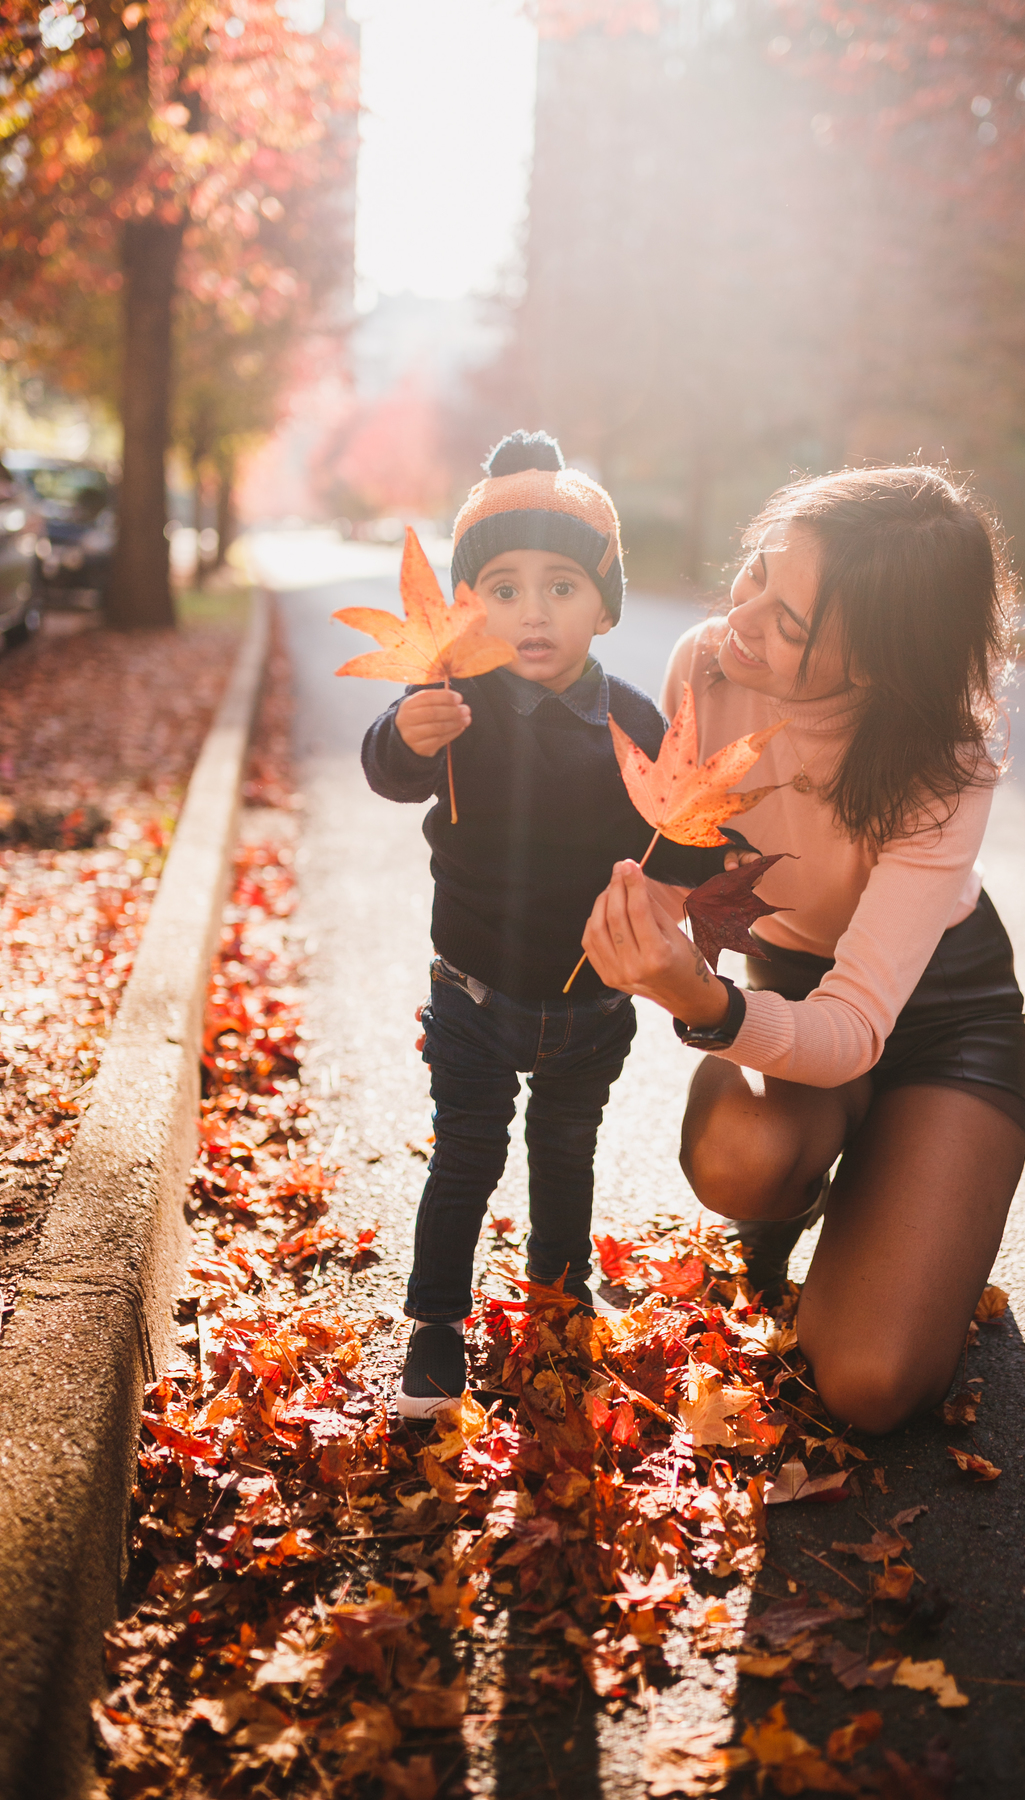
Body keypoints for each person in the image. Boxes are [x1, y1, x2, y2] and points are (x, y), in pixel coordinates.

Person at [581, 466, 1025, 1436]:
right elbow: (672, 861)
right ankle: (803, 1183)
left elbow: (856, 1025)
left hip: (942, 1019)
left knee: (868, 1387)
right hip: (789, 983)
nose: (741, 617)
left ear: (877, 659)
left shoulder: (945, 766)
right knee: (744, 1159)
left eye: (787, 621)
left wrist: (702, 1004)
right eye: (754, 575)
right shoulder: (706, 667)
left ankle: (912, 1179)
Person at [361, 431, 736, 1417]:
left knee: (566, 1150)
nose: (533, 610)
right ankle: (437, 1321)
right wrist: (403, 735)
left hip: (590, 1000)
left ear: (605, 606)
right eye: (505, 587)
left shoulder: (634, 720)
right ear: (468, 607)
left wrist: (688, 861)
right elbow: (389, 772)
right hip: (473, 991)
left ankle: (559, 1301)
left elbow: (685, 831)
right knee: (467, 1153)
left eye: (563, 587)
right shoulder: (451, 700)